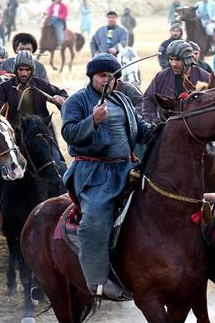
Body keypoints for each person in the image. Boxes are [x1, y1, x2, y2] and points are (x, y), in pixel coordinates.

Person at [60, 53, 153, 300]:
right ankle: (97, 281)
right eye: (102, 76)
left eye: (112, 77)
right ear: (92, 76)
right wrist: (94, 120)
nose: (107, 81)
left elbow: (142, 129)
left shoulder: (122, 99)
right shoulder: (77, 101)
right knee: (96, 218)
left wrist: (167, 129)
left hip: (127, 168)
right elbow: (69, 133)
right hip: (94, 173)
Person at [0, 50, 67, 137]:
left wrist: (61, 99)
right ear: (15, 69)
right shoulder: (4, 87)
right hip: (15, 134)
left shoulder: (40, 84)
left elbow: (63, 94)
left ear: (32, 70)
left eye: (27, 70)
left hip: (41, 133)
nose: (24, 73)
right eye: (20, 69)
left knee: (54, 150)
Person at [142, 40, 214, 123]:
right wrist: (154, 122)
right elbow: (148, 99)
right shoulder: (161, 77)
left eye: (177, 60)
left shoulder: (205, 78)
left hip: (197, 130)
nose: (173, 64)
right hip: (167, 128)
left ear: (187, 60)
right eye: (171, 59)